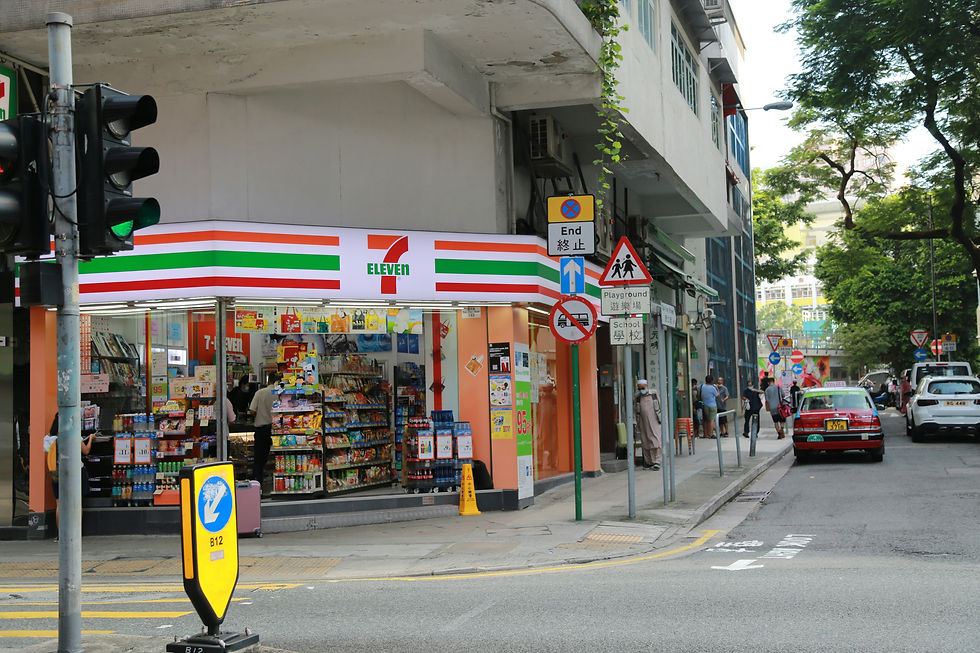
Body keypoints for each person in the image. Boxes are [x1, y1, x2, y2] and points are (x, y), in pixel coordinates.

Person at [43, 413, 95, 533]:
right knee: (76, 503)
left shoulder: (48, 439)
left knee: (59, 505)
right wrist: (91, 438)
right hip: (75, 472)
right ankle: (75, 532)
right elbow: (86, 451)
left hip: (56, 473)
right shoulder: (74, 436)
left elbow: (49, 453)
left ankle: (60, 533)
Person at [249, 371, 280, 488]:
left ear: (268, 380)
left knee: (259, 458)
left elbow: (252, 410)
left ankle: (258, 484)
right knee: (279, 456)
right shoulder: (280, 394)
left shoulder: (260, 393)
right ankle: (278, 481)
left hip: (262, 430)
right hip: (277, 430)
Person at [634, 379, 662, 471]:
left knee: (655, 440)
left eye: (643, 387)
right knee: (645, 441)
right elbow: (634, 410)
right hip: (642, 421)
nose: (641, 389)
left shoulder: (653, 394)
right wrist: (634, 421)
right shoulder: (637, 397)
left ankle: (657, 461)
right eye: (640, 388)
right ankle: (648, 462)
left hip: (654, 420)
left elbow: (661, 405)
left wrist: (663, 418)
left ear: (647, 386)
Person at [700, 374, 719, 439]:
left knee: (707, 420)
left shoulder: (702, 386)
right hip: (712, 405)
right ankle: (711, 434)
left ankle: (707, 434)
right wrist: (717, 389)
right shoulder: (713, 388)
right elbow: (718, 396)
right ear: (711, 381)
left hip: (705, 405)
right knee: (711, 420)